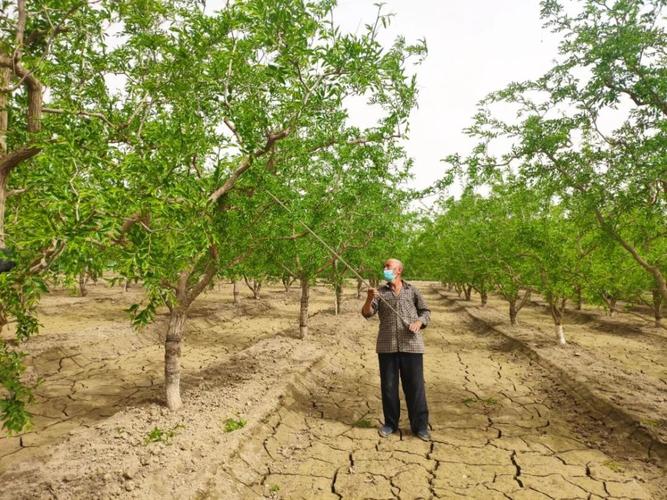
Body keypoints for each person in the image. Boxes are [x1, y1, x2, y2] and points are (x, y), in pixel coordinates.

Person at [361, 258, 431, 441]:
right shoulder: (379, 292)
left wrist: (419, 322)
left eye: (388, 267)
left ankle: (420, 427)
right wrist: (369, 298)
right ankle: (390, 424)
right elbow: (367, 313)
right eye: (384, 266)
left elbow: (425, 312)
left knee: (415, 388)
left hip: (412, 346)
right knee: (389, 388)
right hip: (387, 346)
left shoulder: (412, 290)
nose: (385, 269)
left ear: (399, 270)